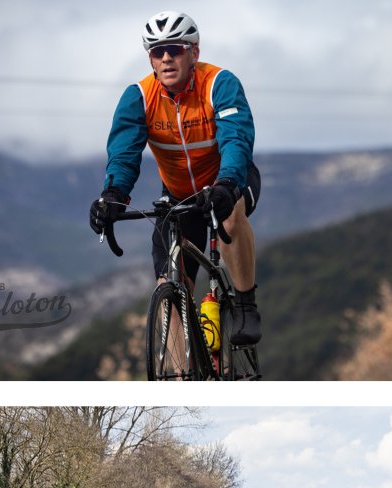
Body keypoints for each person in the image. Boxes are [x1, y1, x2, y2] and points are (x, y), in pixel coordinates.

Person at [89, 10, 262, 345]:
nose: (166, 58)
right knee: (167, 287)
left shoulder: (219, 83)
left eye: (175, 49)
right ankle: (181, 378)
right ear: (151, 59)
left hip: (231, 179)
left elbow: (236, 139)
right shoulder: (138, 96)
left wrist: (227, 183)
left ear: (194, 53)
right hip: (180, 193)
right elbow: (125, 153)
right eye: (157, 51)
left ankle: (244, 304)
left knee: (230, 216)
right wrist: (112, 196)